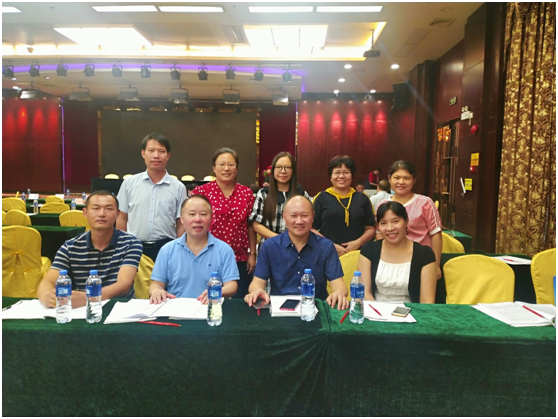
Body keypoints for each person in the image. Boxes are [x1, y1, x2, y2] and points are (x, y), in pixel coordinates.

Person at [37, 190, 143, 308]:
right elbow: (47, 282)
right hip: (84, 310)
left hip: (122, 308)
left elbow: (123, 285)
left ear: (117, 214)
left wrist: (89, 297)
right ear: (85, 212)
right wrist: (47, 296)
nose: (102, 214)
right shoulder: (70, 246)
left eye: (108, 209)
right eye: (96, 208)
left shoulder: (130, 243)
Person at [245, 196, 349, 310]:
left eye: (305, 215)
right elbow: (257, 283)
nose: (299, 221)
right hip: (280, 310)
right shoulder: (270, 246)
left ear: (313, 216)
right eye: (293, 216)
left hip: (315, 309)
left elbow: (339, 284)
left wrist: (339, 293)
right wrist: (256, 291)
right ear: (284, 217)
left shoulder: (326, 246)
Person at [148, 195, 239, 304]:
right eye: (192, 214)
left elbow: (232, 285)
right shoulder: (167, 250)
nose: (198, 219)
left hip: (210, 307)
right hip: (175, 308)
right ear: (182, 219)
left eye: (203, 214)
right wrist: (156, 291)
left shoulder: (224, 250)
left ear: (211, 218)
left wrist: (216, 291)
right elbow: (156, 284)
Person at [192, 147, 256, 298]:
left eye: (231, 165)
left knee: (238, 301)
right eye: (221, 164)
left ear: (236, 168)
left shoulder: (246, 193)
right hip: (208, 256)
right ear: (214, 168)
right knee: (208, 297)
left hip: (239, 258)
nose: (226, 168)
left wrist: (252, 254)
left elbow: (250, 225)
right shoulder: (201, 192)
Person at [116, 133, 187, 261]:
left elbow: (181, 223)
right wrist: (122, 245)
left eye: (161, 151)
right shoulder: (129, 183)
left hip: (166, 247)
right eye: (151, 150)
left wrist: (178, 248)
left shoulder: (178, 187)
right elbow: (122, 217)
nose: (156, 155)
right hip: (133, 246)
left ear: (168, 155)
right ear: (143, 153)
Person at [358, 201, 437, 303]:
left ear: (406, 222)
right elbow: (365, 294)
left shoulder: (425, 255)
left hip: (412, 311)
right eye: (383, 223)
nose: (390, 228)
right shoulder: (368, 250)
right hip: (375, 309)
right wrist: (378, 311)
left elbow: (427, 301)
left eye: (395, 221)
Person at [378, 160, 443, 278]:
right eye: (396, 178)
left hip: (421, 261)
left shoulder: (425, 203)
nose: (401, 182)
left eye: (406, 178)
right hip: (391, 260)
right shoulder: (383, 205)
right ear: (389, 179)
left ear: (414, 180)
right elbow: (379, 234)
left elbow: (436, 234)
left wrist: (436, 264)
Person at [312, 155, 376, 257]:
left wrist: (358, 243)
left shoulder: (362, 198)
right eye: (337, 172)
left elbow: (371, 228)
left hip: (358, 255)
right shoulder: (321, 198)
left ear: (352, 175)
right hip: (327, 254)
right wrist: (330, 246)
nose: (341, 176)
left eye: (346, 172)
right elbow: (311, 228)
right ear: (330, 177)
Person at [249, 151, 311, 248]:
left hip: (297, 247)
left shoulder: (301, 193)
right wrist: (281, 240)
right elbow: (256, 225)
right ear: (273, 170)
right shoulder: (264, 193)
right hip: (270, 246)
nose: (283, 171)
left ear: (293, 170)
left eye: (287, 167)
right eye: (278, 167)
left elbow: (309, 221)